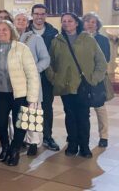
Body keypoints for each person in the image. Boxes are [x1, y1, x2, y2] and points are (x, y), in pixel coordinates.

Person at [47, 12, 107, 158]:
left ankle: (84, 146)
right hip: (65, 85)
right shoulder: (57, 41)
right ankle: (73, 144)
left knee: (83, 116)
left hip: (83, 86)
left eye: (70, 21)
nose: (66, 23)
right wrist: (54, 78)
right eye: (64, 21)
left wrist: (94, 78)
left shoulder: (88, 40)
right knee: (70, 115)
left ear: (76, 23)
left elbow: (101, 61)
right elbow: (50, 63)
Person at [0, 20, 40, 166]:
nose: (1, 32)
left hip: (19, 93)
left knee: (21, 124)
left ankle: (15, 150)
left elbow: (32, 74)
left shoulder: (21, 48)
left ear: (11, 31)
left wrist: (32, 98)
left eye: (5, 29)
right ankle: (5, 147)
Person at [13, 12, 50, 156]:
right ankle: (17, 139)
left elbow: (45, 59)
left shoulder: (35, 38)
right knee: (15, 112)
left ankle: (33, 142)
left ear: (28, 23)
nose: (21, 21)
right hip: (14, 82)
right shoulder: (9, 39)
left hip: (31, 80)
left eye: (23, 19)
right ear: (13, 22)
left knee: (32, 109)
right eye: (18, 19)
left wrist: (35, 70)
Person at [27, 3, 60, 151]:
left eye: (42, 14)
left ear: (46, 16)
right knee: (30, 107)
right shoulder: (25, 32)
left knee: (46, 107)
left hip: (46, 76)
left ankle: (47, 136)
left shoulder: (53, 33)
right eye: (36, 14)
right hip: (28, 77)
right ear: (32, 15)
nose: (39, 17)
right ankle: (32, 140)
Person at [82, 12, 114, 148]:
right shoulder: (79, 38)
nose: (90, 24)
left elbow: (105, 59)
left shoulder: (102, 39)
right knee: (82, 109)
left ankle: (104, 136)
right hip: (81, 78)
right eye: (87, 21)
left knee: (99, 108)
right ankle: (82, 135)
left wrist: (94, 75)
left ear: (97, 25)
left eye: (93, 22)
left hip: (97, 78)